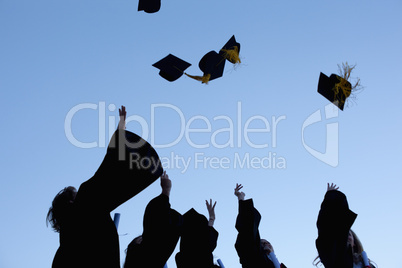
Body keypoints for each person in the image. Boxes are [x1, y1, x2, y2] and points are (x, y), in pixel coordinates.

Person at [47, 105, 163, 268]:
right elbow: (110, 169)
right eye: (76, 196)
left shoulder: (62, 253)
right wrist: (121, 133)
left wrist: (121, 131)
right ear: (71, 203)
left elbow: (107, 173)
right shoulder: (87, 203)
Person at [124, 171, 183, 268]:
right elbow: (156, 237)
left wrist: (166, 193)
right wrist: (166, 192)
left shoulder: (155, 256)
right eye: (141, 239)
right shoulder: (149, 256)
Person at [315, 183, 376, 268]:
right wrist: (330, 199)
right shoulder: (333, 257)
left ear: (354, 242)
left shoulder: (366, 263)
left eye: (349, 235)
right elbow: (326, 227)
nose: (346, 237)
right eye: (344, 234)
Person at [234, 184, 286, 268]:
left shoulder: (278, 264)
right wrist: (241, 199)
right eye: (263, 243)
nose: (266, 245)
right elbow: (248, 231)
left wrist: (272, 254)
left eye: (268, 243)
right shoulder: (254, 257)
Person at [175, 199, 220, 268]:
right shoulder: (205, 252)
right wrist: (211, 219)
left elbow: (209, 240)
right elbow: (209, 240)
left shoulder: (181, 258)